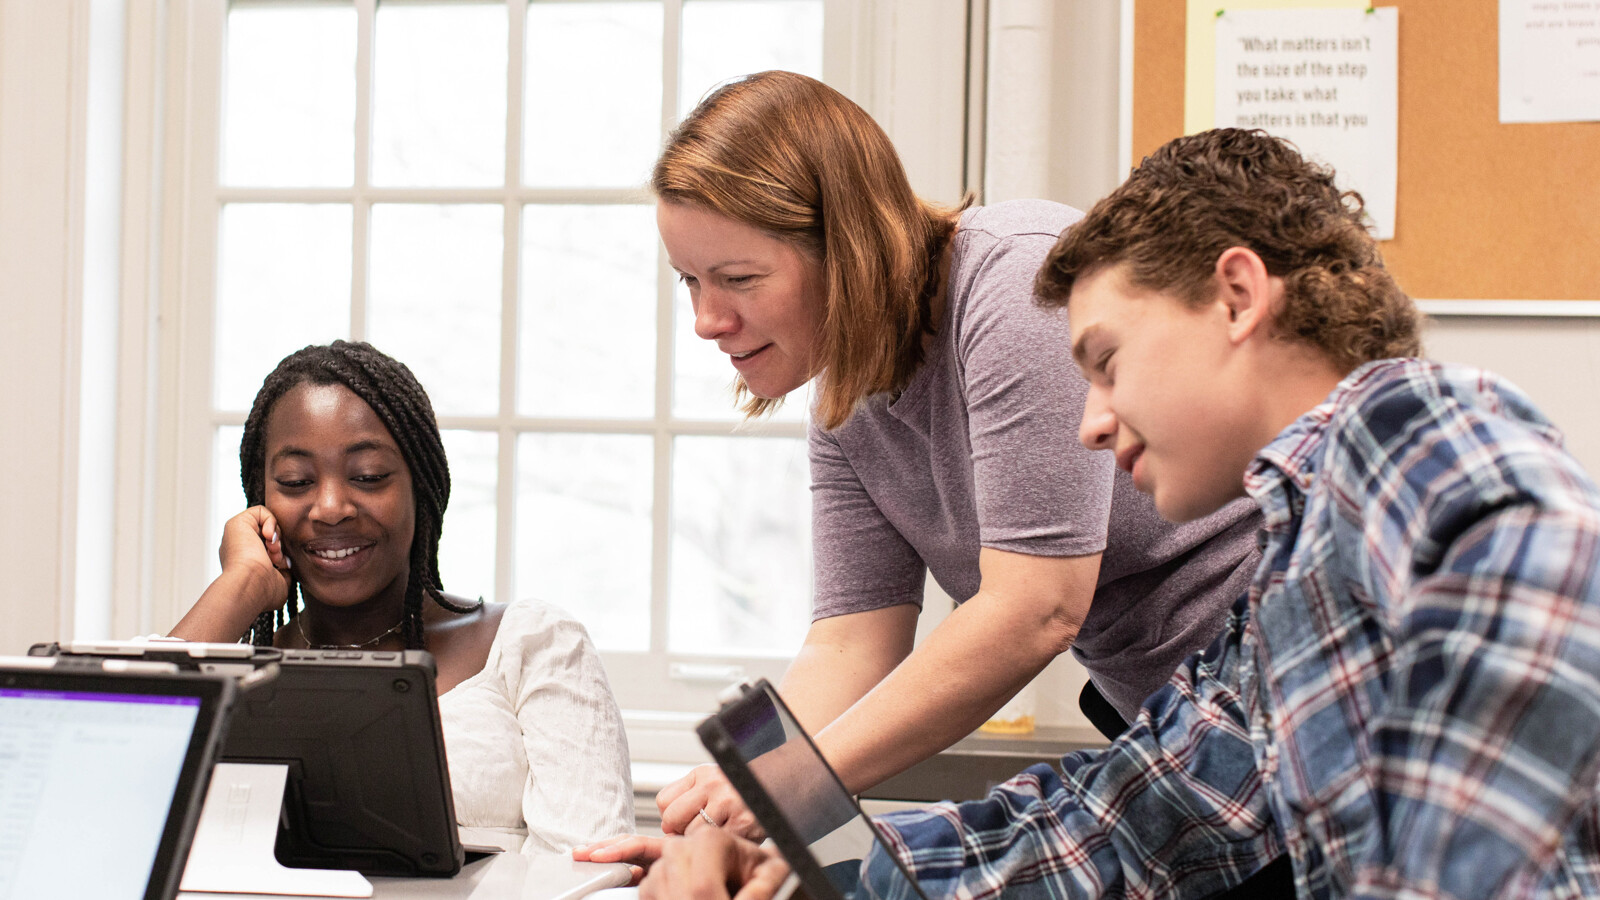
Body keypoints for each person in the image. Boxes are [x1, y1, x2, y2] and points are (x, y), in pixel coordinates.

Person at [595, 128, 1600, 898]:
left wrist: (781, 798)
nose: (1088, 425)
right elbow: (1126, 821)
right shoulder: (1281, 598)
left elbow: (1033, 609)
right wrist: (802, 861)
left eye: (1107, 363)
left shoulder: (1410, 425)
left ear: (1238, 296)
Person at [648, 69, 1264, 839]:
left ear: (847, 244)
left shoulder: (1015, 284)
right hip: (1170, 729)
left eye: (737, 279)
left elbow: (1035, 606)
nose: (706, 320)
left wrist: (791, 786)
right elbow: (848, 640)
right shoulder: (844, 408)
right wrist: (724, 810)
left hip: (1279, 688)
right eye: (689, 281)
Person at [169, 340, 633, 854]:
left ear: (422, 487)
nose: (329, 507)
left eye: (368, 476)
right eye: (296, 481)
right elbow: (120, 788)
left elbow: (593, 873)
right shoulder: (228, 673)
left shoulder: (534, 645)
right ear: (261, 499)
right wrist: (242, 585)